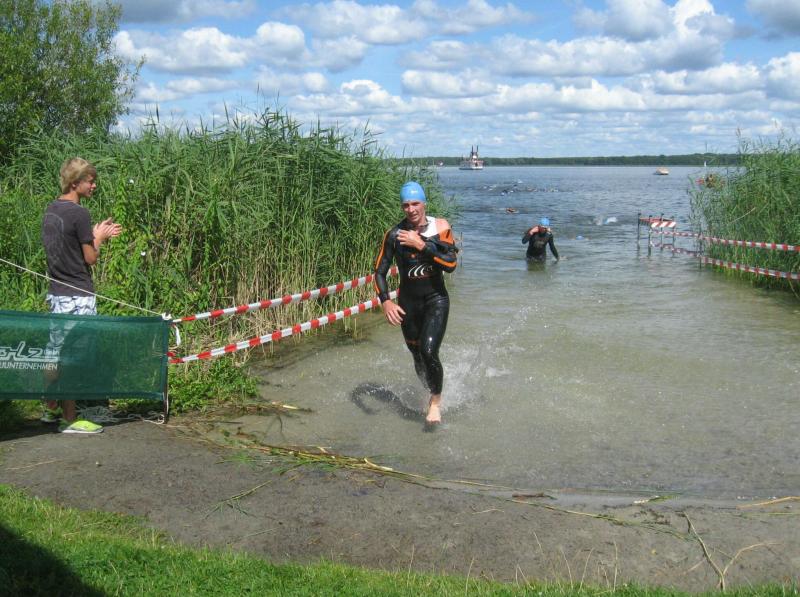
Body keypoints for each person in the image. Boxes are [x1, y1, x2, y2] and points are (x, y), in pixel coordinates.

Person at [41, 157, 122, 434]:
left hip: (56, 293)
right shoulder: (80, 214)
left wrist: (94, 233)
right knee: (74, 358)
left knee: (55, 353)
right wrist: (100, 236)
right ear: (75, 183)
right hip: (78, 295)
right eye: (90, 181)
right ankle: (70, 419)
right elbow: (90, 258)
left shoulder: (52, 209)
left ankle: (50, 408)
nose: (94, 185)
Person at [374, 181, 458, 425]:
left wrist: (421, 245)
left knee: (428, 350)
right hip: (408, 304)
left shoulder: (440, 227)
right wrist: (386, 302)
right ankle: (430, 389)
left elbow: (451, 264)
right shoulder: (394, 235)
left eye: (415, 204)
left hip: (436, 299)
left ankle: (435, 402)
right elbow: (379, 272)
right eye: (405, 205)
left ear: (424, 204)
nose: (411, 209)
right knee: (418, 356)